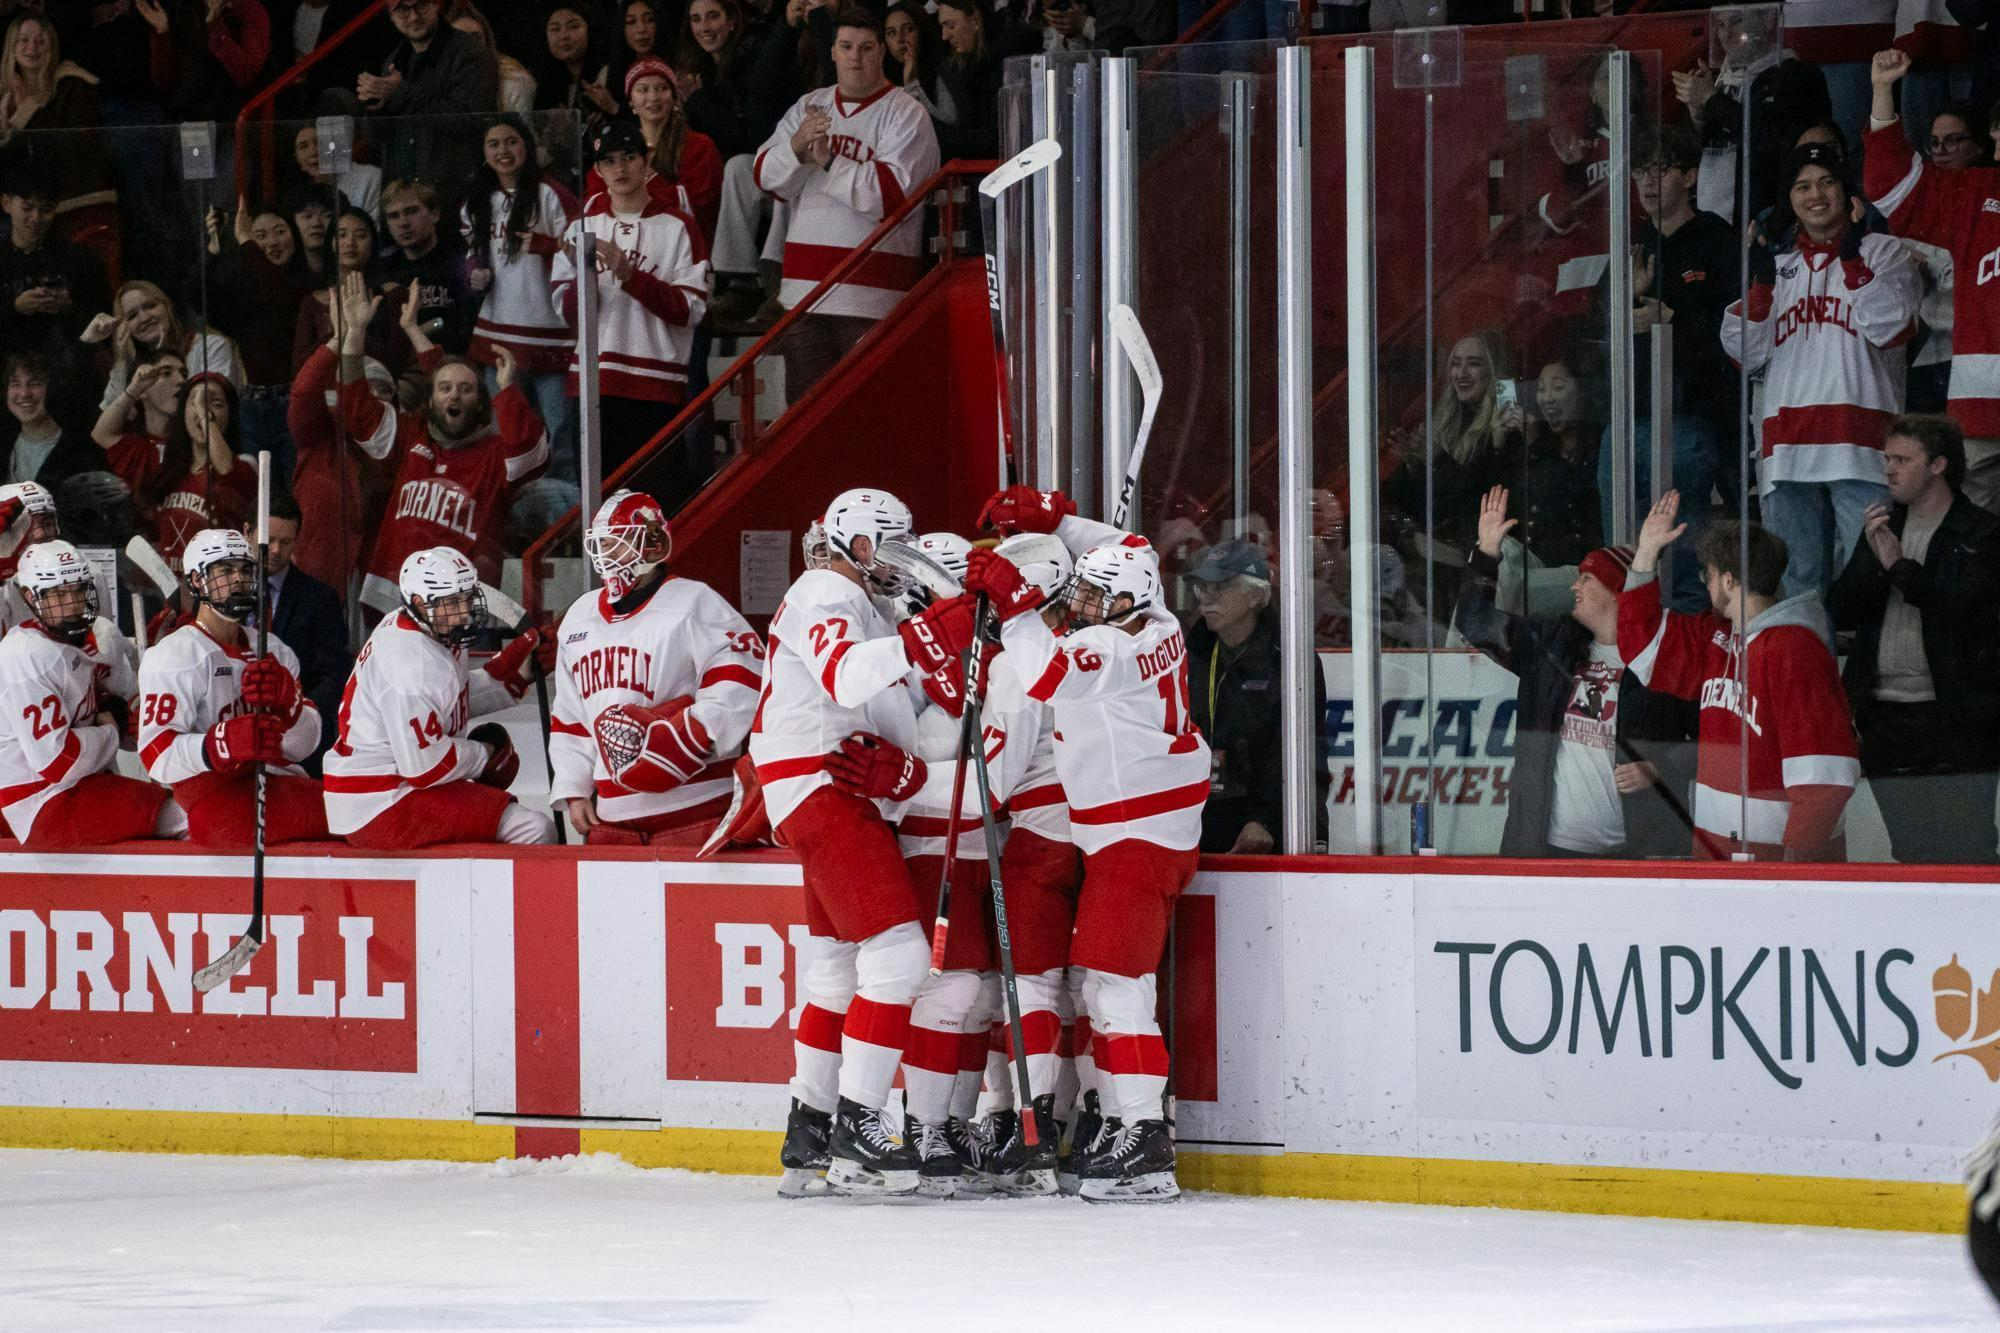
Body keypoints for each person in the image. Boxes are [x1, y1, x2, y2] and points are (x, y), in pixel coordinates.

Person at [964, 485, 1211, 1204]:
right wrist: (1058, 524)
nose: (1082, 609)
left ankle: (1144, 1139)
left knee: (1113, 987)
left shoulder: (1112, 648)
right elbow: (1119, 548)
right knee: (1105, 985)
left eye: (1096, 600)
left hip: (1135, 832)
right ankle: (1129, 1123)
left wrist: (1013, 603)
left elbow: (1043, 672)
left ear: (1124, 606)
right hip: (1144, 826)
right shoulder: (1157, 615)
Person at [750, 486, 978, 1198]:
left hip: (827, 787)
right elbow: (846, 676)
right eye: (893, 549)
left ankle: (810, 1123)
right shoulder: (826, 588)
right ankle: (860, 1119)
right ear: (859, 546)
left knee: (836, 972)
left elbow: (891, 702)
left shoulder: (862, 604)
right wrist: (923, 639)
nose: (901, 566)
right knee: (901, 956)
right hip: (826, 784)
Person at [1720, 142, 1920, 600]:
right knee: (1796, 586)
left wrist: (1852, 258)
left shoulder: (1884, 252)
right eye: (1802, 185)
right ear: (1789, 200)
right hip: (1786, 447)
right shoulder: (1778, 266)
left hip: (1862, 444)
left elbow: (1896, 327)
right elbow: (1742, 355)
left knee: (1874, 580)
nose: (1815, 194)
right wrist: (1762, 285)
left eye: (1827, 182)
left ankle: (1870, 673)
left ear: (1847, 191)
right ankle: (1807, 672)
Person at [1618, 491, 1860, 861]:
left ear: (1729, 581)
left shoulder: (1796, 651)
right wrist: (1646, 552)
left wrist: (1796, 868)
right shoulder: (1719, 638)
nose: (1705, 584)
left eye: (1709, 575)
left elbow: (1824, 776)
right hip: (1718, 854)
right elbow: (1640, 646)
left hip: (1778, 865)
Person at [1458, 486, 1697, 859]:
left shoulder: (1663, 658)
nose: (1574, 586)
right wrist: (1487, 551)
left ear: (1618, 592)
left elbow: (1712, 743)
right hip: (1542, 850)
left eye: (1587, 578)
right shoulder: (1551, 644)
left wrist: (1659, 767)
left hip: (1637, 856)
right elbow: (1476, 622)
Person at [1827, 415, 2000, 863]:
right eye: (1886, 458)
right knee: (1908, 850)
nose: (1888, 469)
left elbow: (1964, 610)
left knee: (1969, 848)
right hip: (1883, 713)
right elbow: (1841, 610)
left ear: (1939, 464)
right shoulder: (1885, 526)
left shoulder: (1983, 533)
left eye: (1902, 459)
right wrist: (1872, 558)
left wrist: (1899, 567)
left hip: (1956, 715)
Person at [549, 489, 764, 844]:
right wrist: (574, 787)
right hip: (613, 816)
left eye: (618, 542)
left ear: (652, 544)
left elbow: (745, 673)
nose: (606, 553)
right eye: (602, 543)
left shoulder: (694, 601)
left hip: (695, 804)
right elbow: (571, 715)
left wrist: (698, 731)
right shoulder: (579, 617)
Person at [334, 272, 551, 610]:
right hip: (395, 597)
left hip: (462, 606)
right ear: (431, 399)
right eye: (445, 390)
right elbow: (358, 410)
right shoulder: (411, 435)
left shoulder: (495, 456)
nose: (455, 396)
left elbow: (530, 452)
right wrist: (355, 334)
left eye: (466, 390)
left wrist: (509, 390)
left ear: (482, 402)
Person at [752, 7, 939, 392]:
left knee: (869, 414)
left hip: (874, 297)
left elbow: (891, 197)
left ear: (882, 50)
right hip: (804, 294)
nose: (856, 56)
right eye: (847, 46)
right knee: (806, 418)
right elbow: (765, 178)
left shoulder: (907, 114)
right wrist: (797, 150)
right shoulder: (809, 106)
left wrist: (828, 160)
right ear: (833, 52)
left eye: (866, 47)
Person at [323, 545, 556, 848]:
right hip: (381, 802)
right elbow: (424, 766)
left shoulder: (428, 626)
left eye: (467, 598)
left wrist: (514, 674)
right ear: (419, 602)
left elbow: (443, 702)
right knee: (534, 829)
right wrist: (485, 755)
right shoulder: (409, 663)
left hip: (391, 788)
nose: (464, 612)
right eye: (452, 602)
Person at [1867, 49, 2000, 514]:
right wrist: (1883, 91)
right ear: (1996, 137)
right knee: (1975, 547)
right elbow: (1890, 184)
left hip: (1979, 403)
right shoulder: (1976, 195)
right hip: (1982, 406)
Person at [137, 527, 328, 847]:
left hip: (276, 783)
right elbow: (157, 757)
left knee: (345, 811)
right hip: (214, 794)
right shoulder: (175, 655)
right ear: (197, 580)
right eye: (225, 570)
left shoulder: (275, 650)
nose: (238, 579)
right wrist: (218, 744)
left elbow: (304, 746)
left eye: (244, 569)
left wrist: (291, 707)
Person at [552, 119, 709, 489]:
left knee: (657, 503)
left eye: (628, 157)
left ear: (646, 161)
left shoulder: (678, 226)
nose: (620, 168)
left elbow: (690, 311)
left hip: (655, 388)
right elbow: (568, 315)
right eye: (609, 161)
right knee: (599, 503)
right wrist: (585, 279)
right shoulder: (581, 227)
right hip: (593, 385)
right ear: (598, 169)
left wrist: (630, 275)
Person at [0, 540, 180, 848]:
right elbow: (57, 762)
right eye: (58, 594)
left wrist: (160, 663)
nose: (71, 603)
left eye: (78, 591)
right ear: (31, 598)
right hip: (42, 803)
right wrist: (109, 730)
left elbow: (133, 720)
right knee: (183, 816)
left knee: (183, 805)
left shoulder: (99, 640)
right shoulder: (26, 655)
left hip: (82, 786)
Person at [1183, 537, 1327, 855]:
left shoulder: (1291, 659)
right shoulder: (1188, 654)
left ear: (1254, 594)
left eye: (1218, 587)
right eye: (1201, 588)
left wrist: (1265, 819)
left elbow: (1299, 752)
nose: (1205, 598)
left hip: (1271, 827)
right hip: (1200, 820)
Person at [461, 115, 577, 473]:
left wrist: (544, 246)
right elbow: (472, 251)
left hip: (551, 332)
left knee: (561, 433)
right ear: (483, 152)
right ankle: (514, 504)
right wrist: (474, 272)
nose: (503, 151)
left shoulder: (550, 193)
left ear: (527, 145)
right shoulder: (477, 199)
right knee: (504, 429)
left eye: (511, 141)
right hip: (498, 330)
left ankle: (567, 509)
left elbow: (581, 247)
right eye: (493, 144)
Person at [683, 0, 797, 325]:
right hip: (752, 169)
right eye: (696, 19)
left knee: (753, 165)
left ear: (733, 21)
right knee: (736, 168)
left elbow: (752, 135)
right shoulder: (700, 70)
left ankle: (777, 281)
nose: (704, 26)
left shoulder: (753, 58)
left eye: (713, 16)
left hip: (789, 162)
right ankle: (740, 281)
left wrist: (697, 101)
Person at [321, 0, 497, 194]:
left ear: (435, 5)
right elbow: (377, 139)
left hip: (454, 193)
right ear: (391, 16)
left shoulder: (470, 53)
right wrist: (374, 105)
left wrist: (400, 94)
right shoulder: (394, 60)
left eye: (420, 5)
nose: (413, 16)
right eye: (403, 9)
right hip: (402, 194)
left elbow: (467, 120)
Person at [97, 361, 258, 573]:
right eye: (195, 401)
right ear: (181, 414)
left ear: (230, 416)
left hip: (218, 592)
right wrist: (134, 390)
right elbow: (102, 434)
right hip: (172, 595)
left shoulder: (246, 464)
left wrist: (202, 411)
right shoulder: (166, 465)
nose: (204, 409)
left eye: (216, 404)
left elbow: (227, 471)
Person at [203, 199, 315, 484]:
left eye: (280, 231)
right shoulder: (246, 289)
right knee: (257, 494)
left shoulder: (305, 283)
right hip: (252, 402)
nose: (271, 243)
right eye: (260, 236)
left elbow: (275, 296)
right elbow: (202, 302)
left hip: (295, 399)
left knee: (297, 489)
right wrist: (214, 252)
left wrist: (245, 241)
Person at [0, 169, 109, 423]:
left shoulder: (82, 261)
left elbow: (105, 322)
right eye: (27, 208)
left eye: (46, 209)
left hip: (69, 383)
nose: (36, 218)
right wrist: (14, 307)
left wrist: (70, 307)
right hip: (7, 382)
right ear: (7, 204)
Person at [257, 493, 353, 776]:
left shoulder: (320, 598)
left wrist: (303, 718)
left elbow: (333, 672)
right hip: (235, 735)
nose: (275, 549)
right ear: (249, 533)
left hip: (298, 742)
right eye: (269, 540)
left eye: (285, 542)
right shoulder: (220, 594)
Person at [377, 178, 478, 357]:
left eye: (411, 211)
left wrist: (426, 329)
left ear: (434, 214)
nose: (403, 223)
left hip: (452, 360)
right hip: (402, 364)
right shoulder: (385, 270)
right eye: (394, 216)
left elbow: (465, 325)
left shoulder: (460, 262)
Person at [2, 354, 96, 490]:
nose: (24, 393)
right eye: (15, 384)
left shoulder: (79, 450)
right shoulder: (5, 443)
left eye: (34, 384)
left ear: (52, 389)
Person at [534, 3, 618, 119]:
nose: (563, 36)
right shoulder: (546, 81)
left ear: (590, 30)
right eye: (555, 29)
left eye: (574, 27)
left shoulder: (608, 73)